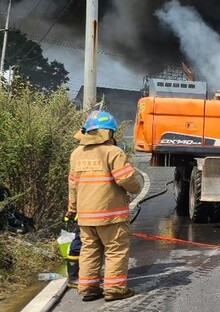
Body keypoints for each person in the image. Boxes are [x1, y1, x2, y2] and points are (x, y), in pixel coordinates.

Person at [66, 111, 141, 302]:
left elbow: (72, 184)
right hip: (111, 216)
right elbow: (125, 179)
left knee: (89, 251)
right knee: (116, 251)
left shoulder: (76, 154)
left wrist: (72, 209)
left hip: (85, 217)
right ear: (109, 132)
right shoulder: (113, 152)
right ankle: (115, 290)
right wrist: (136, 187)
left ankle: (89, 289)